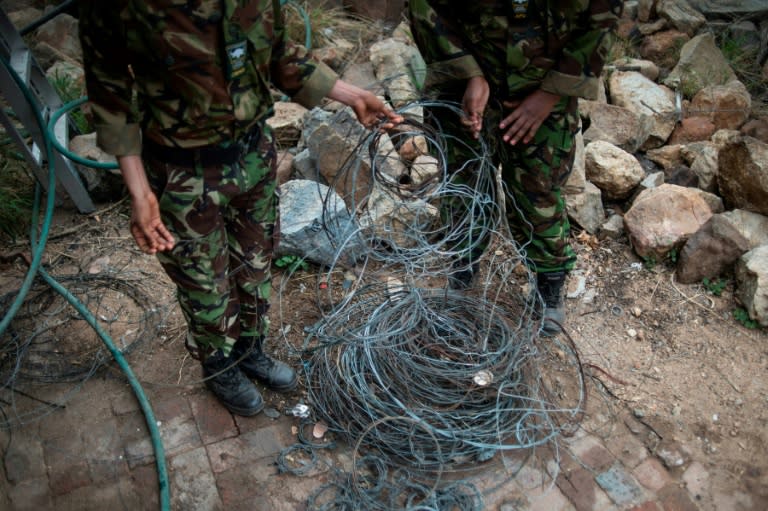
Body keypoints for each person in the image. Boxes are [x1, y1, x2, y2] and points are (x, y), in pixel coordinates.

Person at [78, 0, 401, 416]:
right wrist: (140, 191)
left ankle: (250, 350)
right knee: (205, 285)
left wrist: (352, 94)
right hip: (183, 173)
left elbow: (280, 54)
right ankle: (219, 366)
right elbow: (111, 95)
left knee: (255, 264)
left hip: (253, 157)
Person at [408, 0, 622, 336]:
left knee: (539, 189)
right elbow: (425, 6)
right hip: (463, 83)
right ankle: (462, 267)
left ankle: (549, 285)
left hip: (543, 84)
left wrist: (550, 94)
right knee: (464, 182)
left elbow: (600, 21)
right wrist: (469, 74)